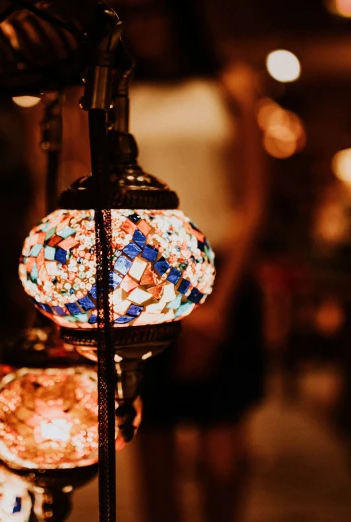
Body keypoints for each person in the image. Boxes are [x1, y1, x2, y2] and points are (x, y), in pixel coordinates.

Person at [111, 1, 268, 521]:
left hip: (224, 270)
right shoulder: (117, 93)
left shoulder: (229, 83)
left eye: (152, 12)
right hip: (145, 275)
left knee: (222, 443)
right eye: (131, 16)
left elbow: (251, 200)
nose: (143, 26)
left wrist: (218, 306)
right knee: (151, 433)